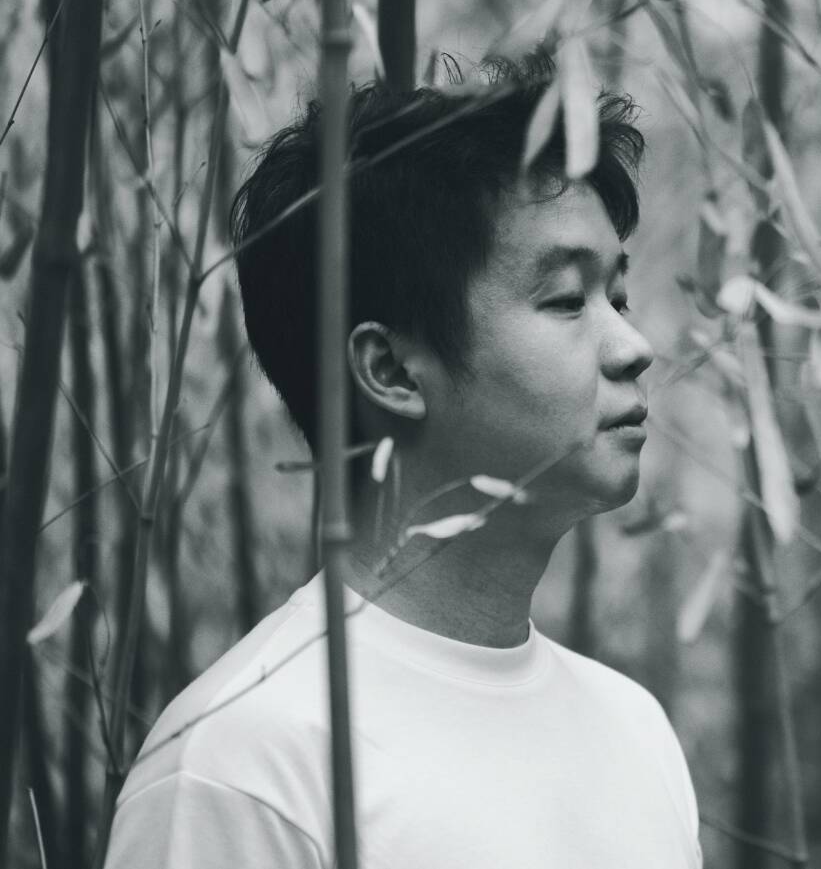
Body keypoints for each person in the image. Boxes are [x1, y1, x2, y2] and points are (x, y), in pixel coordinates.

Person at [101, 58, 702, 868]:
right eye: (568, 299)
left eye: (617, 298)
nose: (634, 346)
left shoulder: (635, 732)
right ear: (389, 370)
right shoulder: (243, 768)